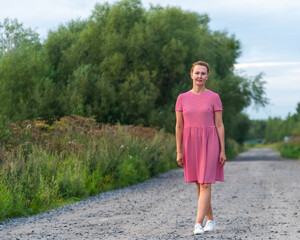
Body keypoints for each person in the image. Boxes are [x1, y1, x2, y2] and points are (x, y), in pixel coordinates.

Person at [175, 61, 226, 235]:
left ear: (207, 76)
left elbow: (219, 125)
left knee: (205, 183)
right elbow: (179, 126)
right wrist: (178, 150)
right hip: (190, 143)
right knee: (199, 184)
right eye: (197, 73)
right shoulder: (182, 98)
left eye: (203, 73)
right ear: (191, 74)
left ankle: (198, 223)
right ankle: (210, 220)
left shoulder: (214, 97)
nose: (200, 76)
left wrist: (222, 150)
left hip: (210, 141)